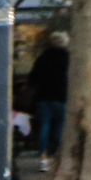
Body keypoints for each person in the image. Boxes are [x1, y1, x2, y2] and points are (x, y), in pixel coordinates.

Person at [27, 33, 70, 167]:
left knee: (45, 125)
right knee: (60, 125)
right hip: (61, 96)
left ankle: (43, 151)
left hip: (44, 96)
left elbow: (33, 78)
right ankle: (56, 148)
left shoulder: (42, 58)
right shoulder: (68, 59)